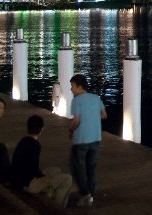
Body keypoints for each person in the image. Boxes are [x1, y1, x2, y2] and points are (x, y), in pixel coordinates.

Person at [11, 115, 72, 208]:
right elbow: (33, 169)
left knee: (56, 170)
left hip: (18, 179)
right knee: (67, 179)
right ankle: (57, 208)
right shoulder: (35, 145)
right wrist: (44, 177)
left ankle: (50, 194)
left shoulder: (23, 141)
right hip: (28, 184)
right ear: (41, 129)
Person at [68, 73, 107, 207]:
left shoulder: (76, 100)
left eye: (72, 86)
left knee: (78, 168)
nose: (71, 89)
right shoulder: (96, 98)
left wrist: (70, 129)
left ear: (79, 86)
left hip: (81, 140)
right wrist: (92, 117)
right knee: (91, 168)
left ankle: (85, 194)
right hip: (95, 139)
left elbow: (76, 120)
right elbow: (104, 115)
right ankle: (90, 194)